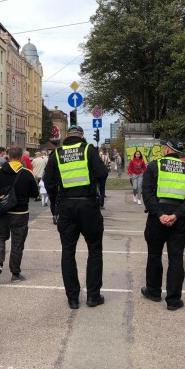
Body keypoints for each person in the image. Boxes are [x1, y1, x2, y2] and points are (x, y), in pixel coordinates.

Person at [44, 125, 109, 309]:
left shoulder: (56, 154)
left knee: (68, 252)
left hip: (66, 206)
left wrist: (55, 205)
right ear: (81, 136)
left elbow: (48, 182)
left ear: (67, 137)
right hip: (88, 205)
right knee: (94, 250)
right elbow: (103, 173)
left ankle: (73, 298)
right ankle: (93, 297)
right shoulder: (89, 150)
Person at [141, 139, 185, 311]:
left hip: (156, 219)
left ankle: (154, 292)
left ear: (167, 150)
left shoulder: (154, 166)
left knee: (154, 255)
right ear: (178, 153)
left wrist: (160, 215)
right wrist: (176, 215)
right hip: (178, 220)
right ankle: (173, 300)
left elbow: (147, 193)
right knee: (176, 258)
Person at [0, 146, 39, 283]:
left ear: (8, 156)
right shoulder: (27, 173)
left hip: (4, 212)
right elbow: (35, 194)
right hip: (21, 212)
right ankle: (15, 273)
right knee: (17, 243)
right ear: (21, 157)